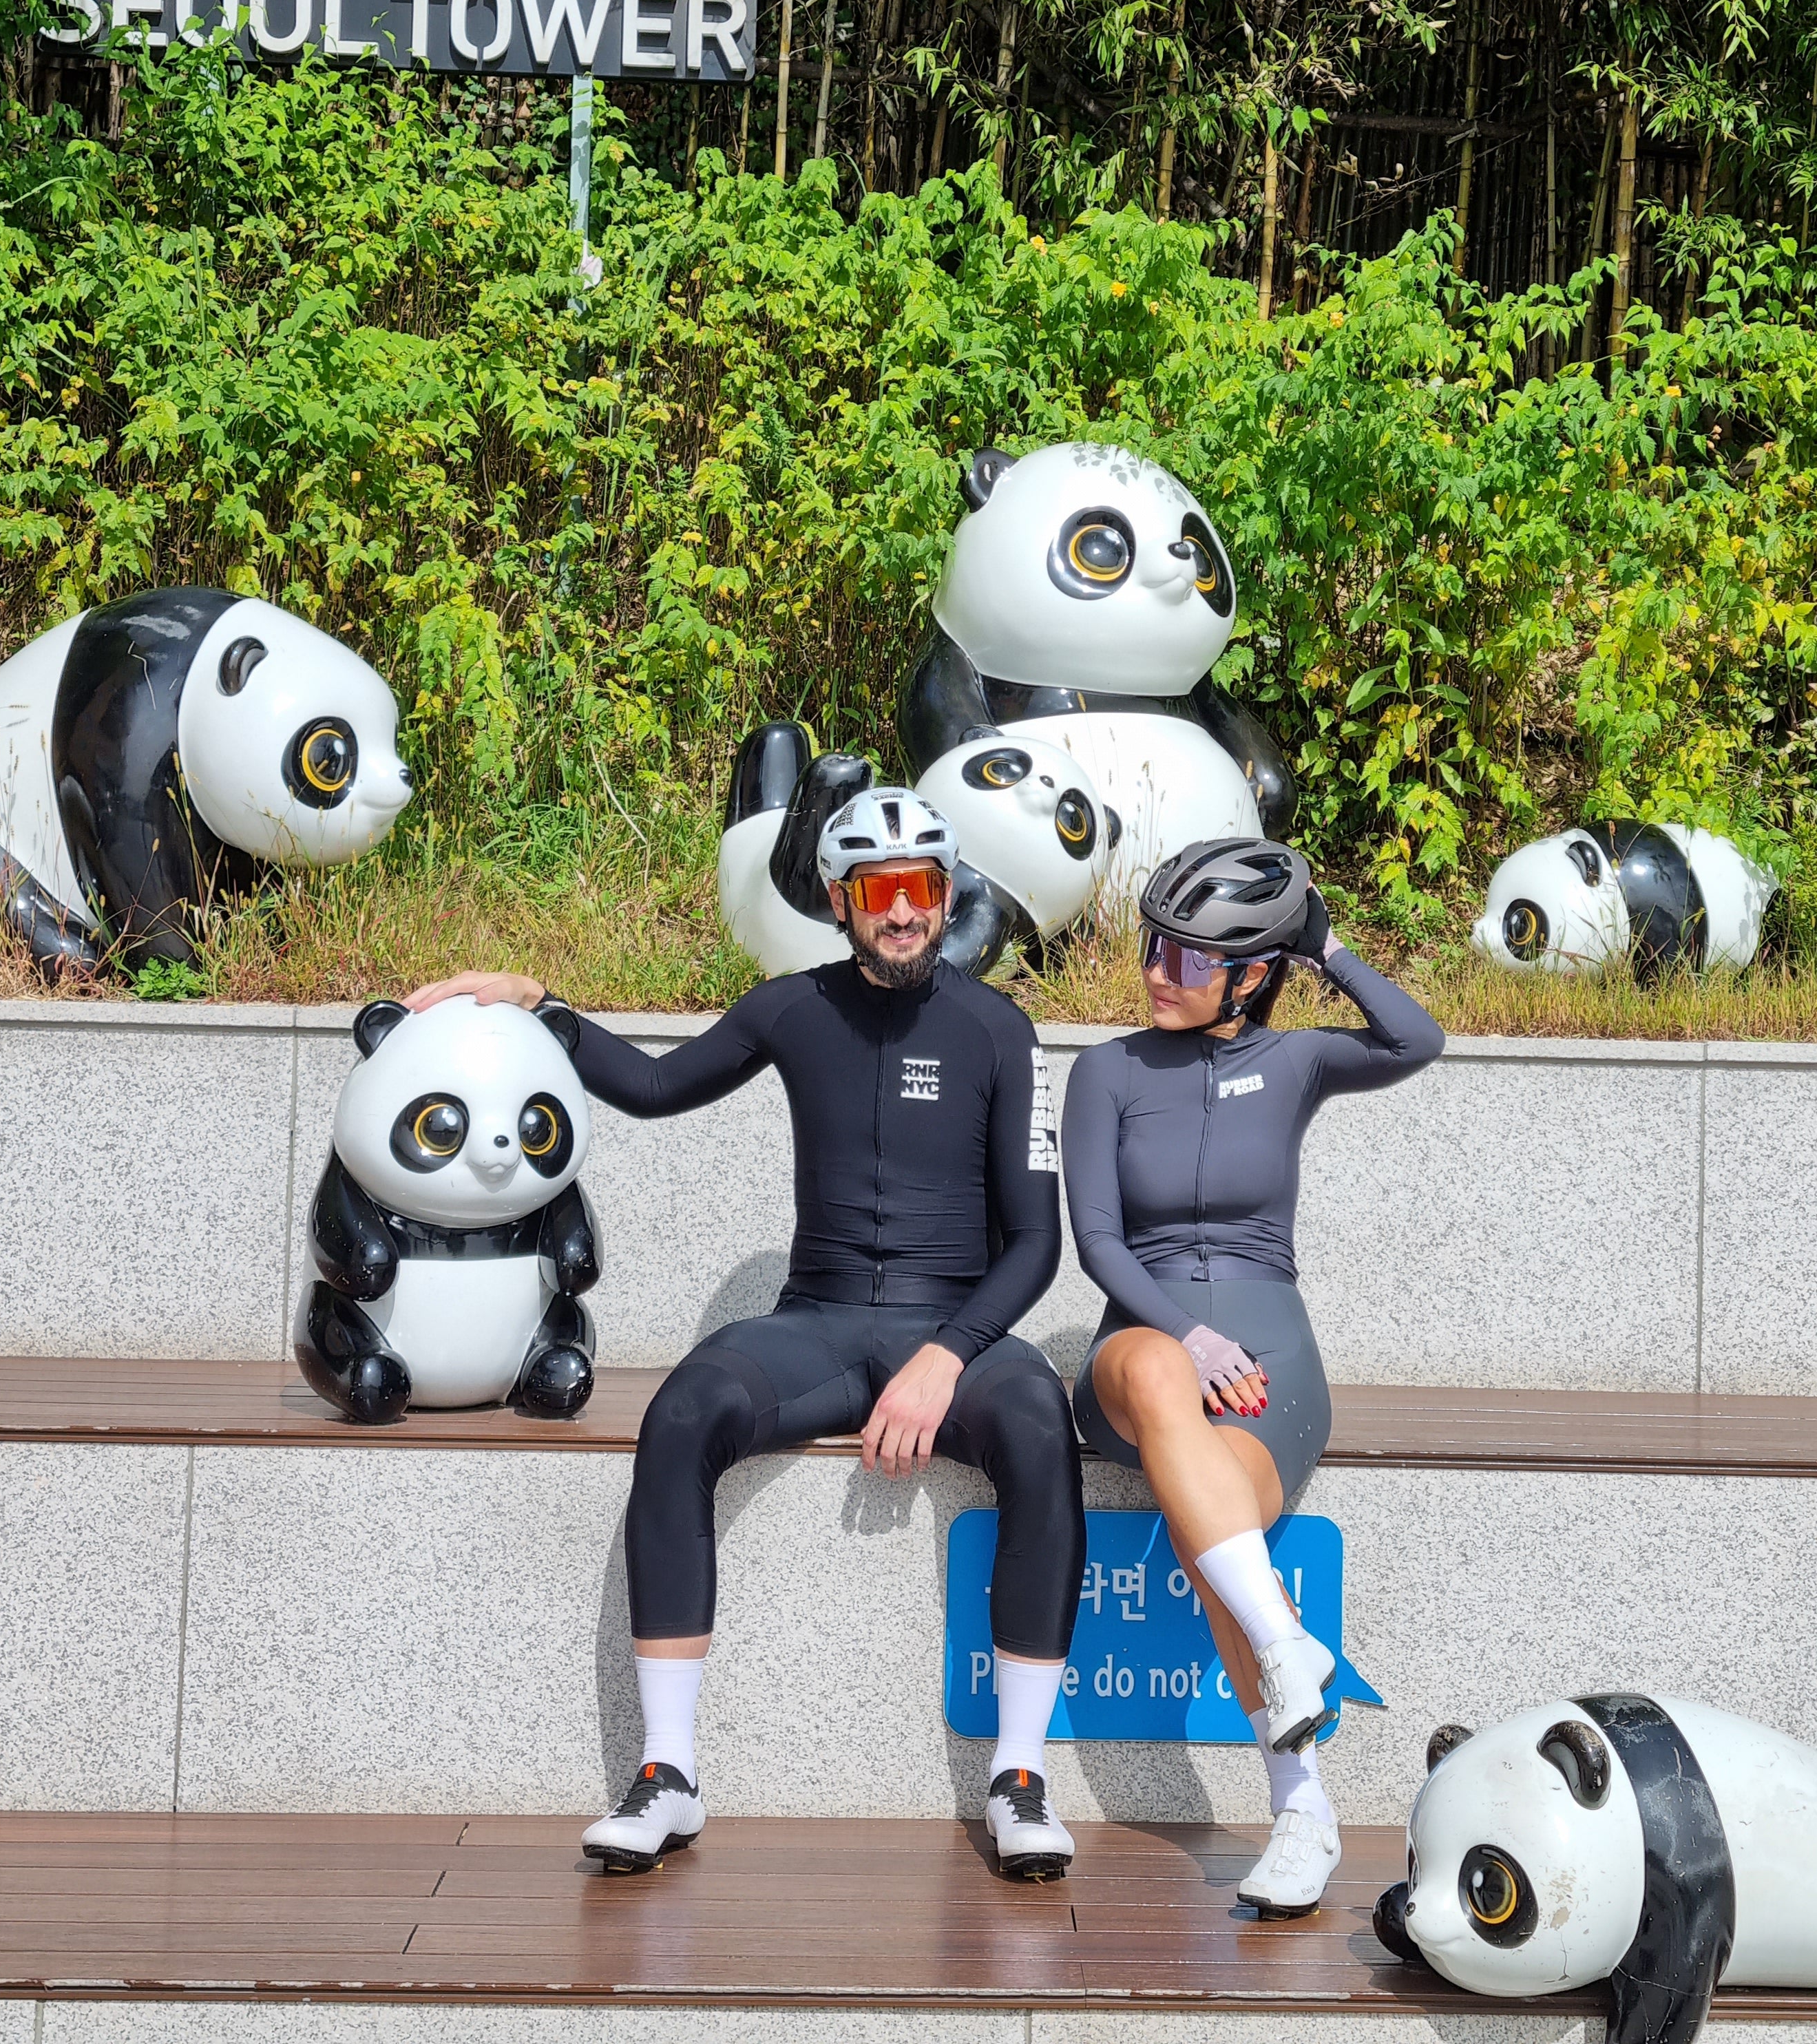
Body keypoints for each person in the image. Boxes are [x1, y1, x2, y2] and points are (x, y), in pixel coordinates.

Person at [406, 785, 1086, 1883]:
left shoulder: (1000, 1030)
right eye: (878, 892)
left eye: (920, 888)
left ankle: (1019, 1779)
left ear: (947, 890)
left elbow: (1035, 1246)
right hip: (815, 1321)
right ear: (839, 899)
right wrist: (540, 1007)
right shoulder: (790, 1008)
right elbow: (658, 1085)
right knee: (682, 1413)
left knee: (1042, 1427)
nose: (903, 912)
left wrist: (946, 1355)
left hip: (954, 1326)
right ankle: (666, 1775)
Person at [1060, 836, 1443, 1919]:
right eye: (1155, 947)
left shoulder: (1300, 1063)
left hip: (1274, 1374)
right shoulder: (1109, 1071)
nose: (1157, 973)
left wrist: (1323, 945)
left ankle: (1302, 1813)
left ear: (1251, 974)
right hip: (1140, 1352)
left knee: (1207, 1526)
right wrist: (1185, 1334)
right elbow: (1097, 1240)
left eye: (1191, 959)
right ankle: (1287, 1647)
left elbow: (1418, 1037)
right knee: (1152, 1376)